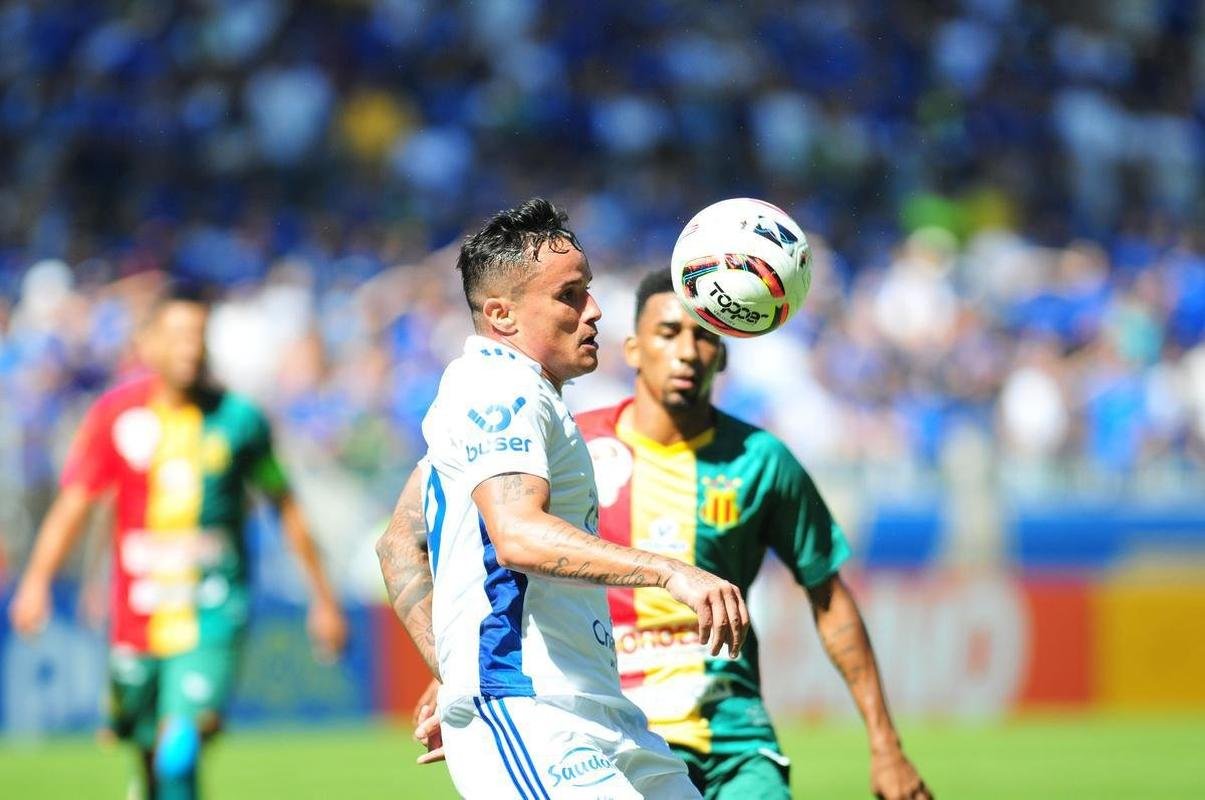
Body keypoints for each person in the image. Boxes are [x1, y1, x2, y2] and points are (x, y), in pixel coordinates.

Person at [375, 199, 750, 799]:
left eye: (589, 290)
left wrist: (454, 666)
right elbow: (517, 534)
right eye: (569, 296)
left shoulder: (516, 395)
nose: (594, 311)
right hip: (531, 709)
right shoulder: (497, 387)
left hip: (595, 706)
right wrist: (670, 572)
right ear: (501, 314)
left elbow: (399, 543)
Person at [571, 270, 932, 800]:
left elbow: (829, 597)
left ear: (722, 355)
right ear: (632, 349)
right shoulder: (575, 447)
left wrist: (885, 745)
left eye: (704, 336)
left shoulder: (762, 461)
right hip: (613, 733)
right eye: (668, 333)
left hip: (732, 741)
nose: (687, 352)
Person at [8, 283, 348, 800]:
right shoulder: (116, 416)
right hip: (137, 610)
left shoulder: (240, 420)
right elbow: (77, 504)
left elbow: (286, 507)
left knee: (180, 745)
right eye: (177, 335)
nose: (190, 347)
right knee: (147, 749)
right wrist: (36, 582)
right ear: (147, 344)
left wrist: (323, 599)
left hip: (214, 604)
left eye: (198, 335)